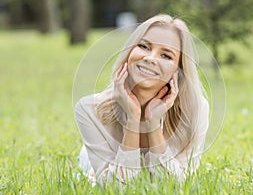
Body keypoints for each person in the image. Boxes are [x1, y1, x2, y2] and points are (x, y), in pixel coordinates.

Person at [74, 14, 209, 186]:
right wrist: (133, 119)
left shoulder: (196, 109)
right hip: (90, 157)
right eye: (144, 46)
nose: (150, 58)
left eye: (166, 56)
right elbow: (116, 188)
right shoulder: (89, 109)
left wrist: (153, 123)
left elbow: (175, 185)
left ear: (178, 71)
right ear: (129, 51)